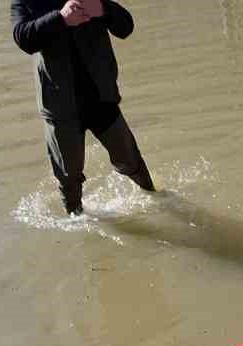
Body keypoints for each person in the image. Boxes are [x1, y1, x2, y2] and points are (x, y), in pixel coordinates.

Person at [10, 0, 155, 216]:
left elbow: (126, 27)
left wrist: (103, 8)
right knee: (69, 179)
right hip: (60, 107)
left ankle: (160, 201)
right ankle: (76, 220)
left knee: (131, 160)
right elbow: (23, 38)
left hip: (102, 99)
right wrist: (61, 18)